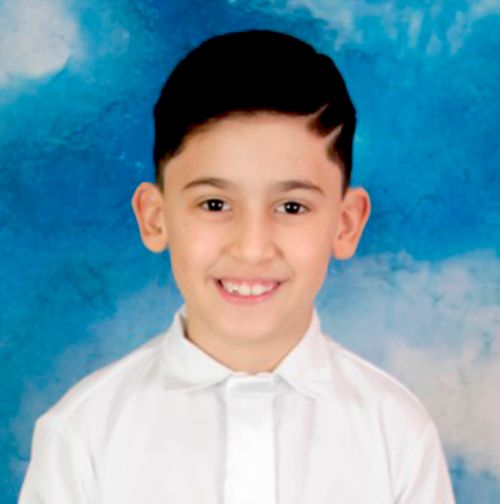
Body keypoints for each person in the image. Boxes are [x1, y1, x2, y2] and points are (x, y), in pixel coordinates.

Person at [19, 30, 456, 503]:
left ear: (346, 224)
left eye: (291, 207)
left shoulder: (396, 433)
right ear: (155, 217)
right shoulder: (82, 435)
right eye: (214, 203)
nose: (252, 248)